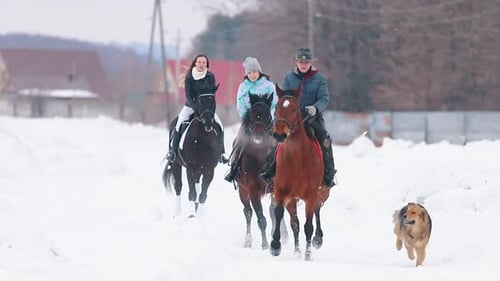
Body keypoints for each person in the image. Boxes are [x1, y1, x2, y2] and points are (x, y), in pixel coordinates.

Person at [259, 48, 337, 188]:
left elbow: (324, 98)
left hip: (312, 117)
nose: (303, 64)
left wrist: (315, 108)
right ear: (296, 63)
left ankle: (328, 174)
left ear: (310, 63)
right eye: (301, 61)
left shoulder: (319, 79)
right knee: (276, 137)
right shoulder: (289, 78)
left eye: (306, 62)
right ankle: (269, 169)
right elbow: (284, 97)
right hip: (291, 117)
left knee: (324, 139)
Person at [166, 54, 228, 165]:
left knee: (220, 125)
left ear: (206, 64)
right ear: (195, 63)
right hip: (190, 106)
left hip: (206, 108)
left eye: (204, 62)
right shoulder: (190, 77)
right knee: (178, 124)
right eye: (199, 62)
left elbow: (211, 94)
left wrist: (209, 108)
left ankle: (221, 153)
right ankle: (173, 152)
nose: (201, 64)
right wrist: (196, 107)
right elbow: (188, 95)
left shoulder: (210, 76)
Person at [224, 57, 277, 183]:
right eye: (249, 72)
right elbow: (240, 105)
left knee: (277, 143)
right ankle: (234, 168)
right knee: (239, 142)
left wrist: (269, 118)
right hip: (249, 122)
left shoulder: (269, 86)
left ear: (259, 71)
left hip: (267, 122)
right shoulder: (243, 87)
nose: (252, 74)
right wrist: (247, 120)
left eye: (254, 71)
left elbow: (275, 104)